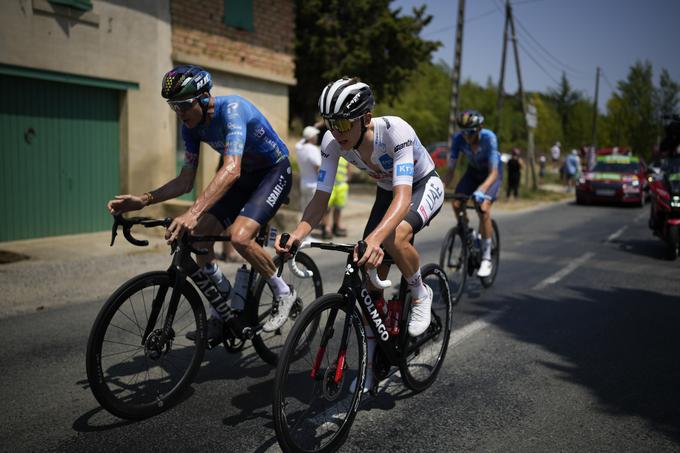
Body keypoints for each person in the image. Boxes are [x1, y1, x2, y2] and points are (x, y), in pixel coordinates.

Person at [276, 77, 444, 392]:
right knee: (366, 280)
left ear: (365, 118)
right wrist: (297, 234)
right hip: (386, 192)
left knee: (393, 238)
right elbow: (320, 199)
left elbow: (403, 198)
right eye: (330, 122)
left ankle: (420, 292)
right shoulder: (331, 142)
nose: (335, 131)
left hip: (421, 186)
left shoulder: (396, 132)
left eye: (342, 123)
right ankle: (371, 364)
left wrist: (377, 239)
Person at [107, 64, 296, 340]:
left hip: (272, 172)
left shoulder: (233, 110)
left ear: (205, 97)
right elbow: (185, 180)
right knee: (198, 238)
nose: (180, 114)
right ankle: (221, 306)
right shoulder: (191, 129)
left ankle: (283, 292)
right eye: (174, 107)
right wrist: (144, 199)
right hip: (243, 181)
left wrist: (193, 211)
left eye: (184, 105)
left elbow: (231, 168)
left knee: (239, 238)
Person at [442, 109, 502, 278]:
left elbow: (494, 172)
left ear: (480, 128)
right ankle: (469, 233)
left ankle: (486, 257)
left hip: (491, 174)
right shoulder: (458, 139)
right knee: (456, 203)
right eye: (464, 131)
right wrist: (438, 187)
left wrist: (481, 190)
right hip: (472, 172)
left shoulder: (489, 138)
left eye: (471, 132)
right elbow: (451, 170)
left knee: (483, 208)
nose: (467, 136)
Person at [322, 157, 350, 238]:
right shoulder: (330, 152)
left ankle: (336, 226)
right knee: (327, 208)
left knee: (338, 207)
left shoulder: (346, 155)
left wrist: (348, 178)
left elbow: (348, 167)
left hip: (341, 185)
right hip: (330, 184)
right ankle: (326, 228)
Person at [296, 126, 321, 214]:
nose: (317, 137)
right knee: (313, 213)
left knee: (304, 211)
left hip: (303, 184)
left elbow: (301, 141)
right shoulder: (313, 149)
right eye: (315, 135)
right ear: (312, 137)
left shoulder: (299, 148)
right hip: (313, 185)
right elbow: (317, 167)